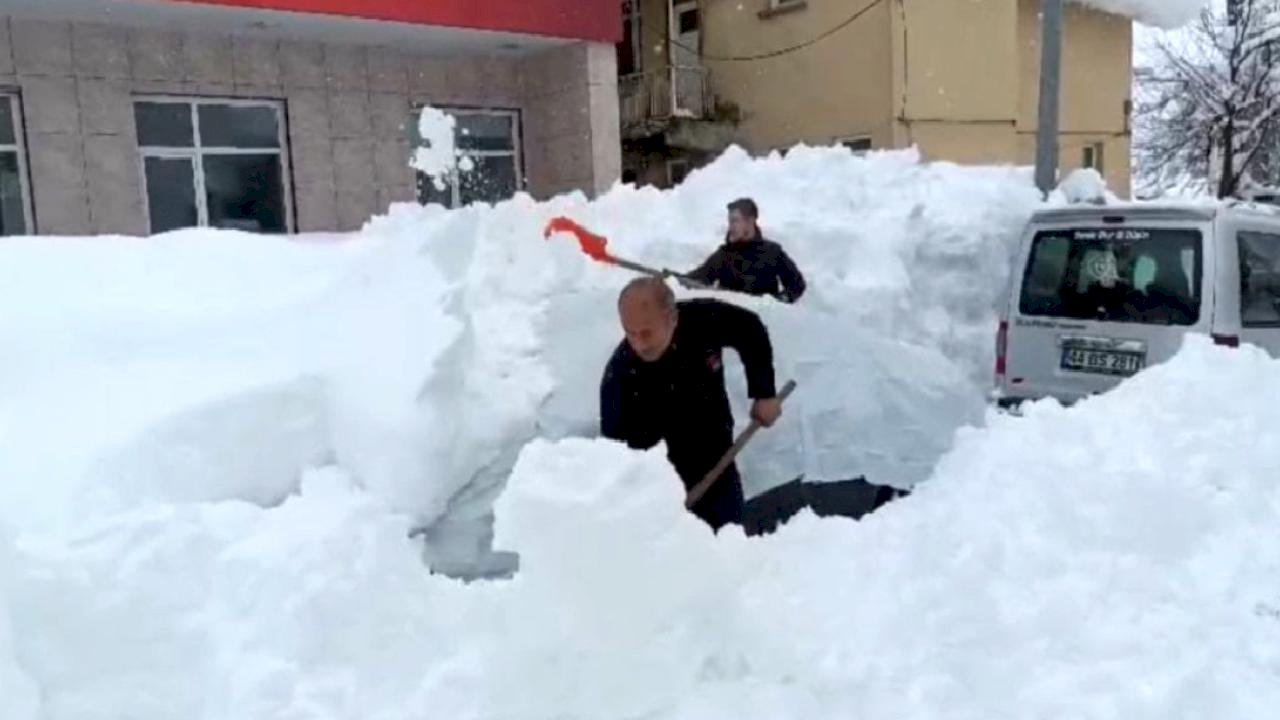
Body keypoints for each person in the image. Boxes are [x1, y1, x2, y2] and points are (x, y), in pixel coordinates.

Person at [600, 277, 783, 531]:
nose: (639, 344)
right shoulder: (619, 379)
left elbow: (749, 329)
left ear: (672, 319)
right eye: (630, 333)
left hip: (718, 459)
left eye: (647, 332)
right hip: (664, 489)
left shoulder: (702, 321)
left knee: (730, 540)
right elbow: (617, 458)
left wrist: (764, 393)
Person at [682, 198, 807, 303]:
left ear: (750, 221)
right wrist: (674, 280)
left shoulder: (772, 252)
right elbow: (696, 279)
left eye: (735, 221)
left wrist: (778, 302)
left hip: (764, 321)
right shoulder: (723, 256)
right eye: (730, 221)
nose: (731, 227)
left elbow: (797, 284)